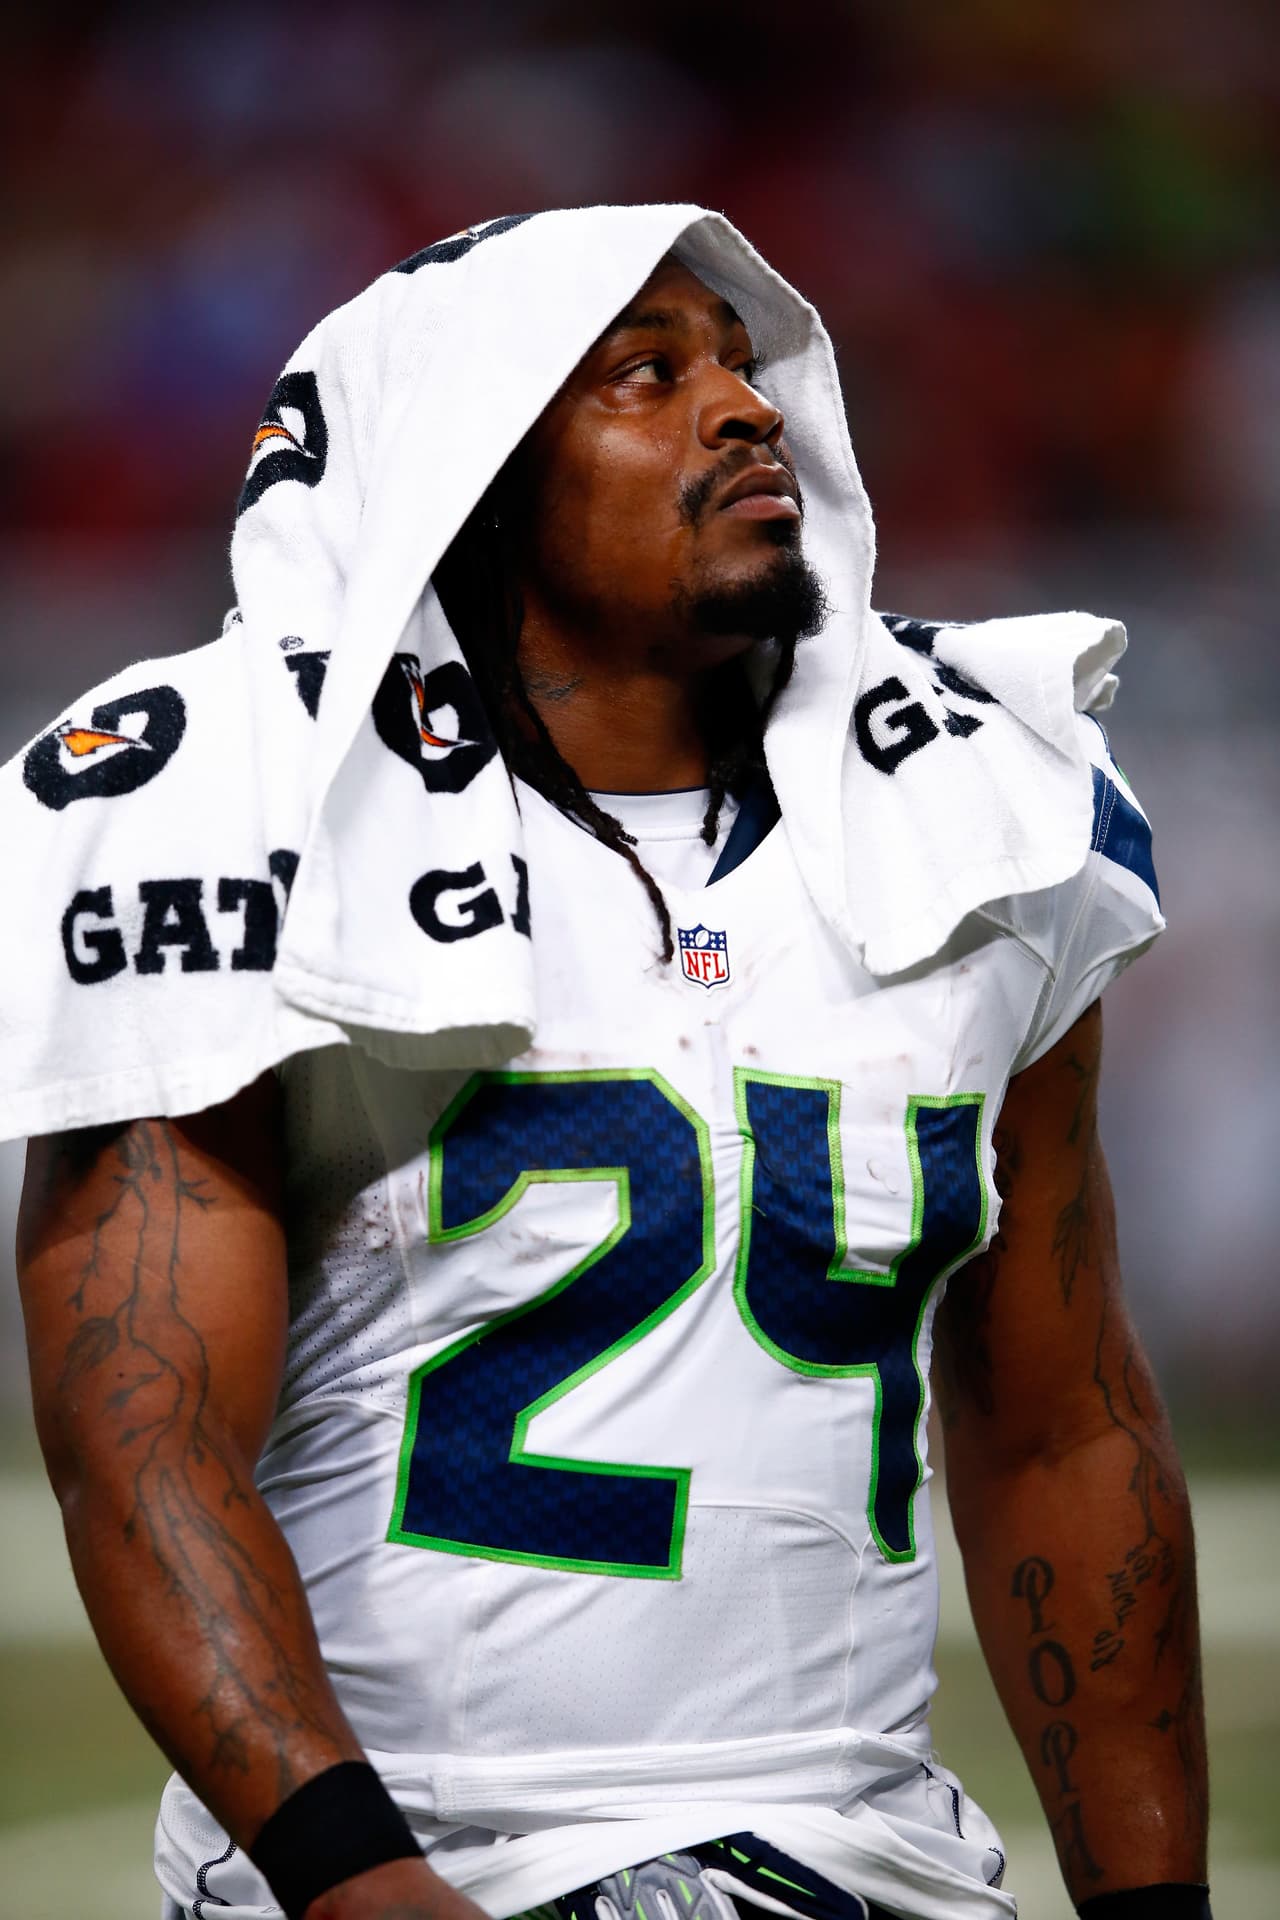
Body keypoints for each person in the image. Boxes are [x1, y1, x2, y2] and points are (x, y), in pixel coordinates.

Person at [10, 207, 1208, 1920]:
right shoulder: (235, 823)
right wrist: (357, 1880)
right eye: (647, 373)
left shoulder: (974, 818)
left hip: (865, 1852)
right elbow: (144, 1438)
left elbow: (1061, 1427)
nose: (747, 407)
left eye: (739, 362)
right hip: (425, 1843)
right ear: (467, 468)